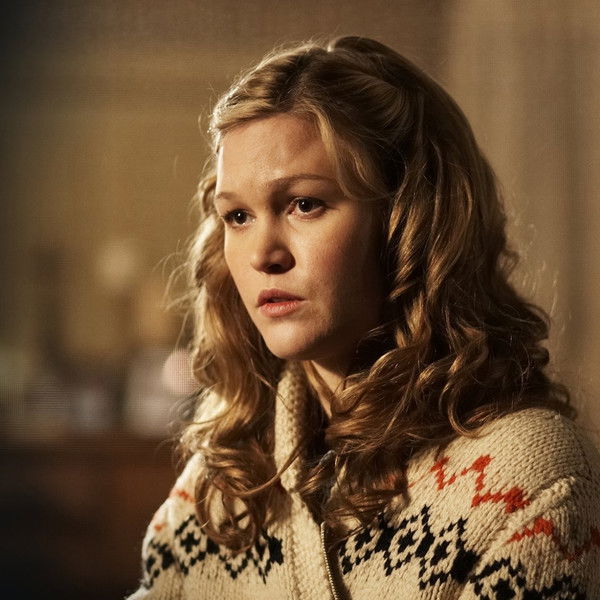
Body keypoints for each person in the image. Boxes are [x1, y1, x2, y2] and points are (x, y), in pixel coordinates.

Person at [126, 36, 600, 599]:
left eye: (305, 204)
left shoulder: (532, 480)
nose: (262, 255)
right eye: (238, 216)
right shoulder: (225, 484)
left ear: (408, 221)